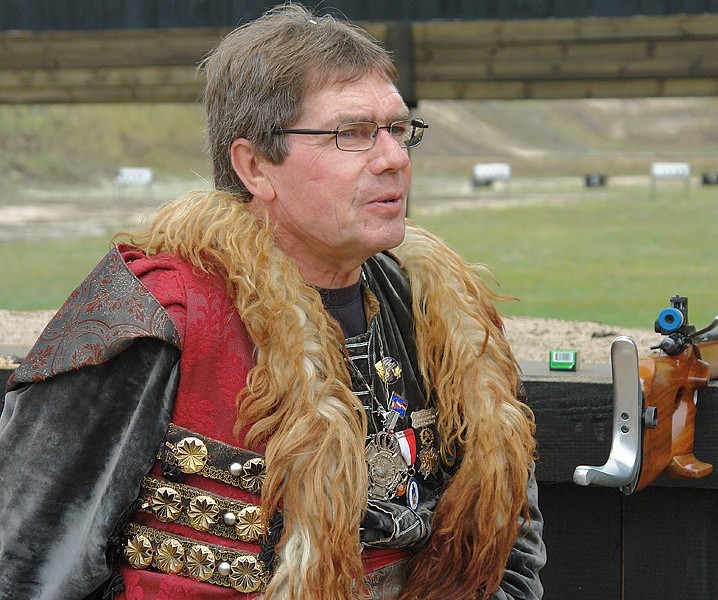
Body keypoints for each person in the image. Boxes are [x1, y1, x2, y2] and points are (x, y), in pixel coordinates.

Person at [0, 4, 545, 599]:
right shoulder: (155, 314)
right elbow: (23, 565)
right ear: (255, 166)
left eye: (397, 129)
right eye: (353, 134)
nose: (393, 158)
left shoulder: (448, 320)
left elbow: (509, 554)